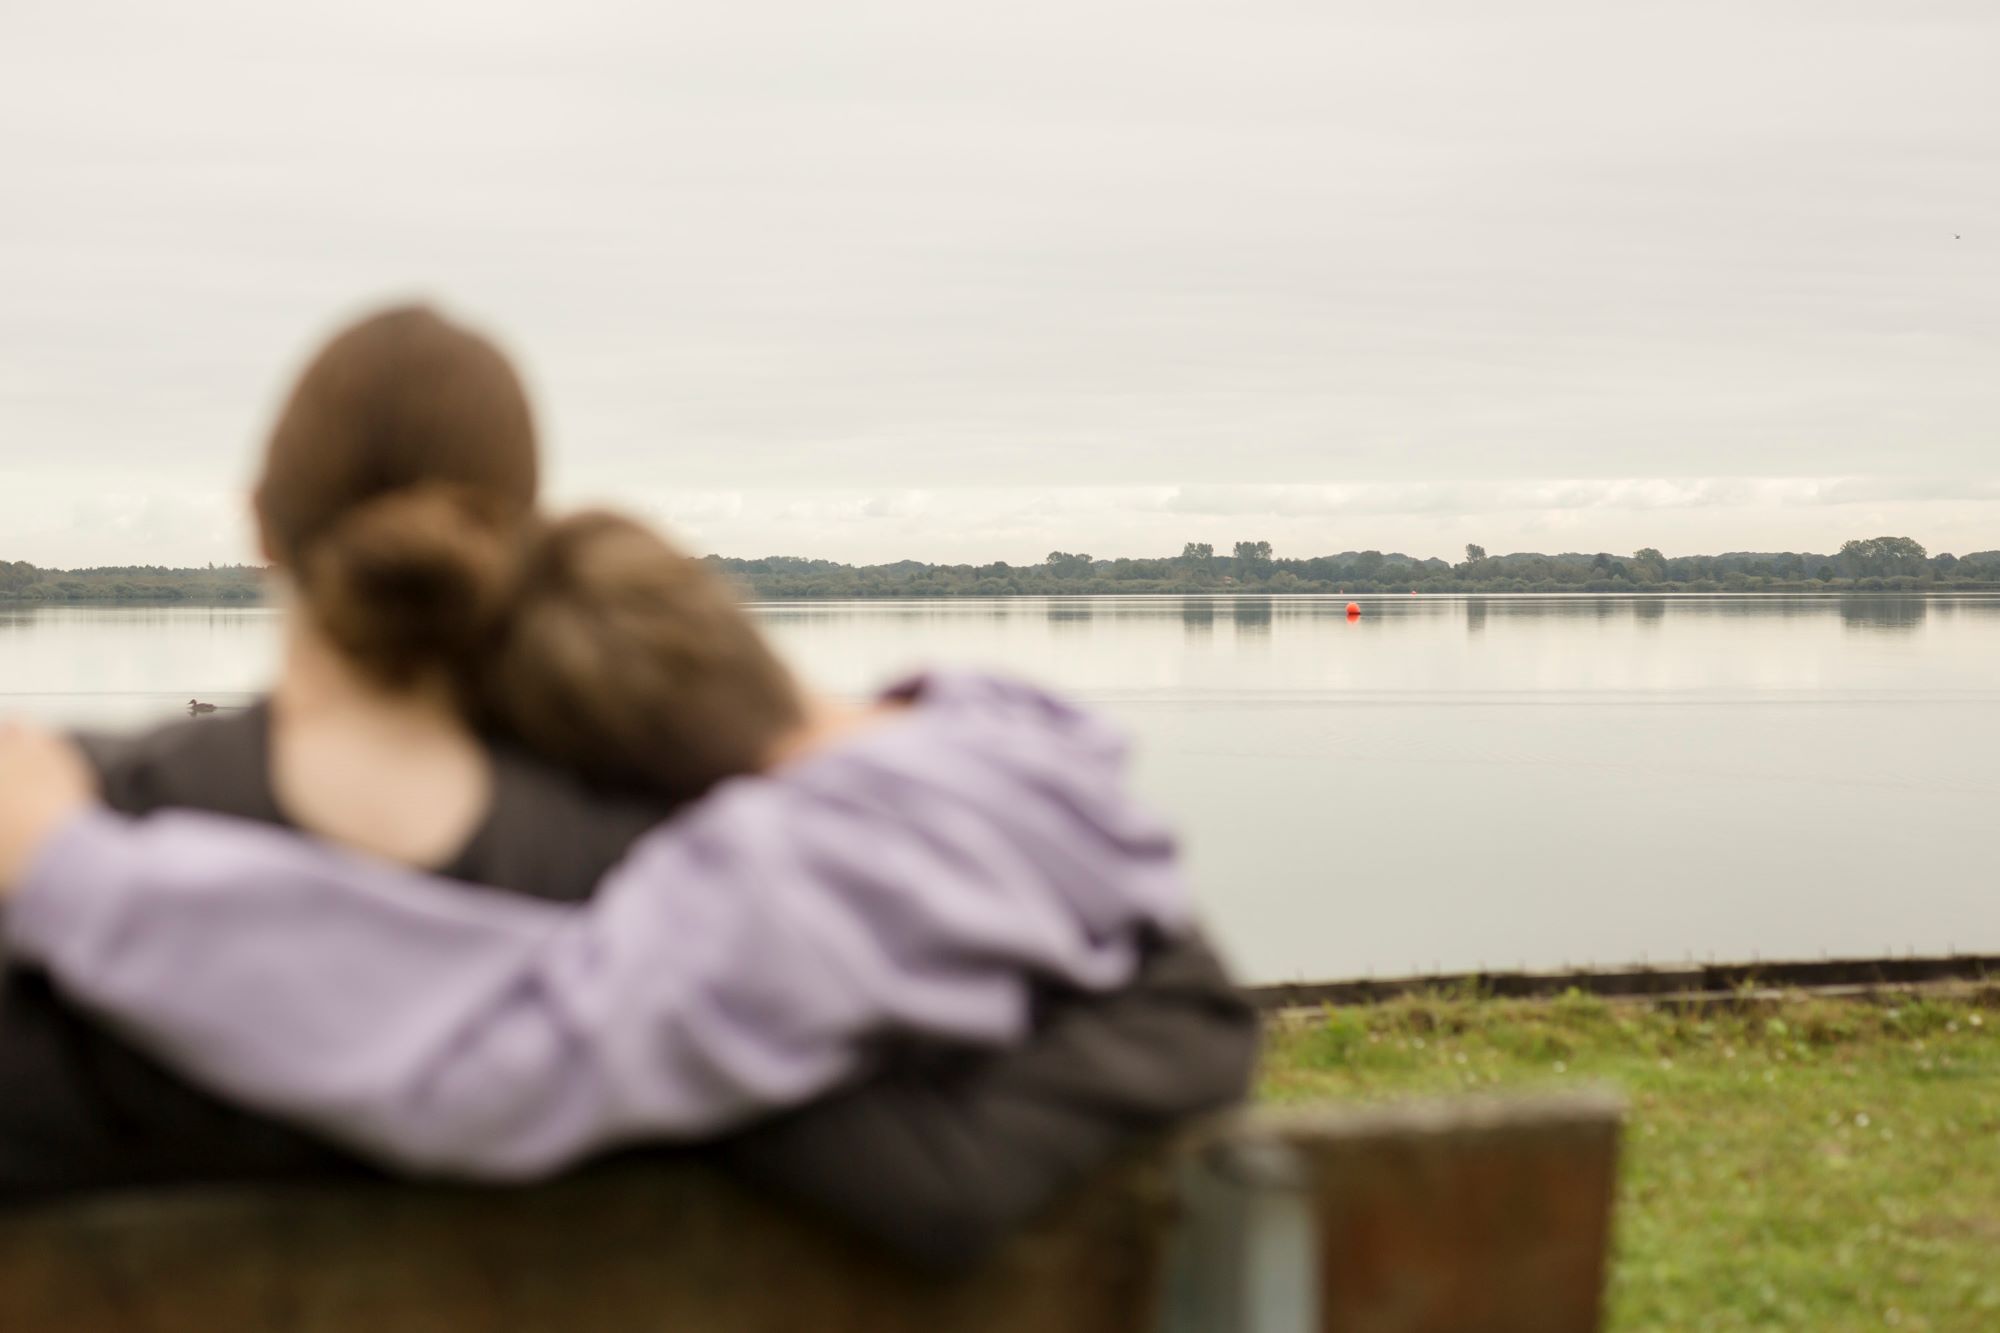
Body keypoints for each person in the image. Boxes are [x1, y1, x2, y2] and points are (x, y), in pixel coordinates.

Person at [0, 305, 1253, 1266]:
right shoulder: (690, 905)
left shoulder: (89, 827)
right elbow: (1161, 1022)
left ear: (262, 527)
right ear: (514, 540)